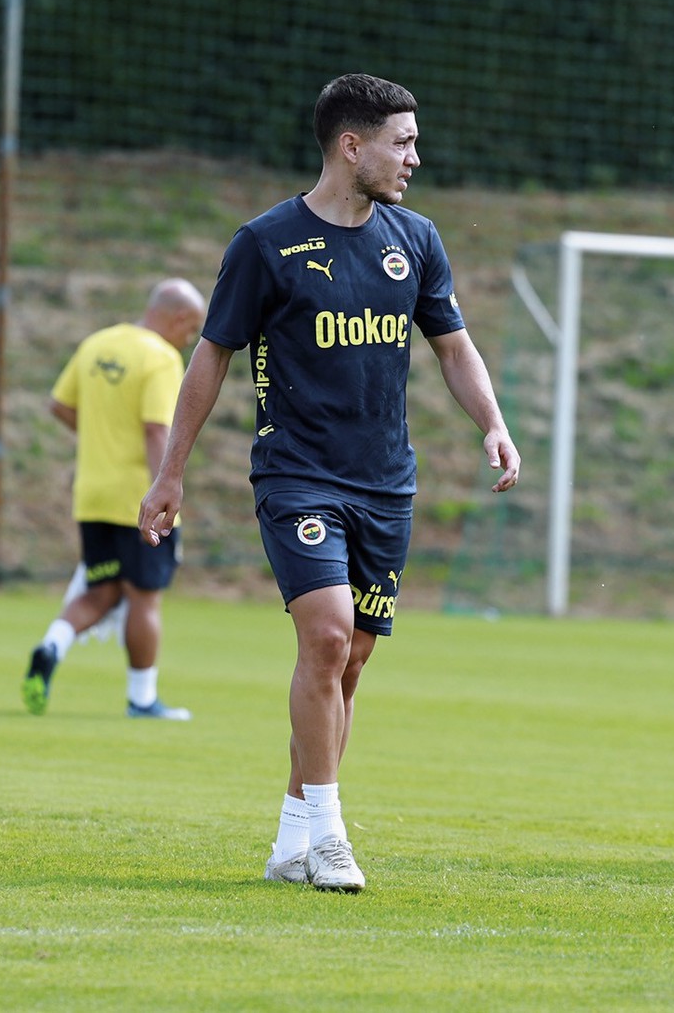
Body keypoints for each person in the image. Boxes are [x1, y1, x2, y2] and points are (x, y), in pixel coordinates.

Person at [138, 73, 520, 893]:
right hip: (297, 477)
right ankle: (333, 836)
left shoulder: (415, 240)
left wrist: (492, 421)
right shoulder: (265, 243)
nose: (415, 156)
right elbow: (211, 354)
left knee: (347, 668)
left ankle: (289, 840)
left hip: (387, 485)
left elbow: (452, 345)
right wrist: (171, 470)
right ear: (353, 146)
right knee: (325, 637)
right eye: (402, 141)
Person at [23, 279, 209, 719]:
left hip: (91, 495)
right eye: (192, 330)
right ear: (180, 319)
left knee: (101, 589)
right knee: (145, 596)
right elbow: (155, 429)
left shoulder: (97, 343)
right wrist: (163, 490)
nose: (191, 340)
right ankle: (142, 698)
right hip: (135, 498)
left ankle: (52, 645)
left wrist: (102, 439)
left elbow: (60, 406)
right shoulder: (161, 358)